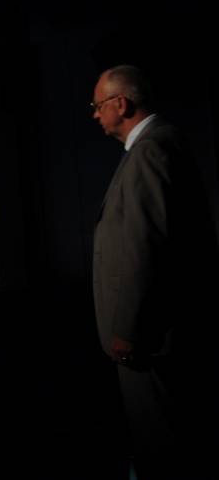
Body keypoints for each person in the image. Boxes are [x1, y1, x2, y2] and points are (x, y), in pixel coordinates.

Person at [91, 65, 219, 479]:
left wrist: (128, 329)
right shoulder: (159, 145)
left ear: (120, 103)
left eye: (98, 105)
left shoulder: (150, 151)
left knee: (161, 443)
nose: (95, 114)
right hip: (156, 332)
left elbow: (145, 249)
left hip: (148, 338)